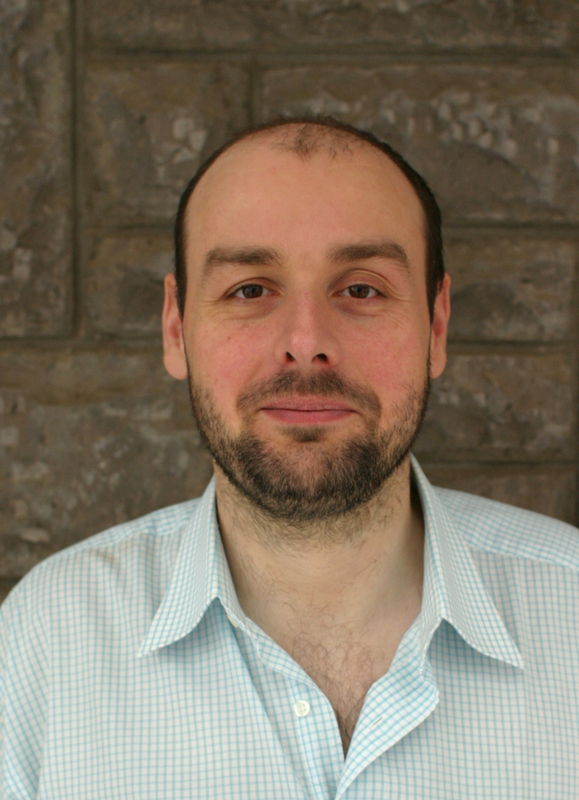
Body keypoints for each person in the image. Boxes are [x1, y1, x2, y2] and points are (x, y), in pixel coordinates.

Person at [1, 117, 578, 799]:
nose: (306, 342)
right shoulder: (47, 640)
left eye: (361, 289)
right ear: (176, 327)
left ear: (436, 324)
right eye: (250, 289)